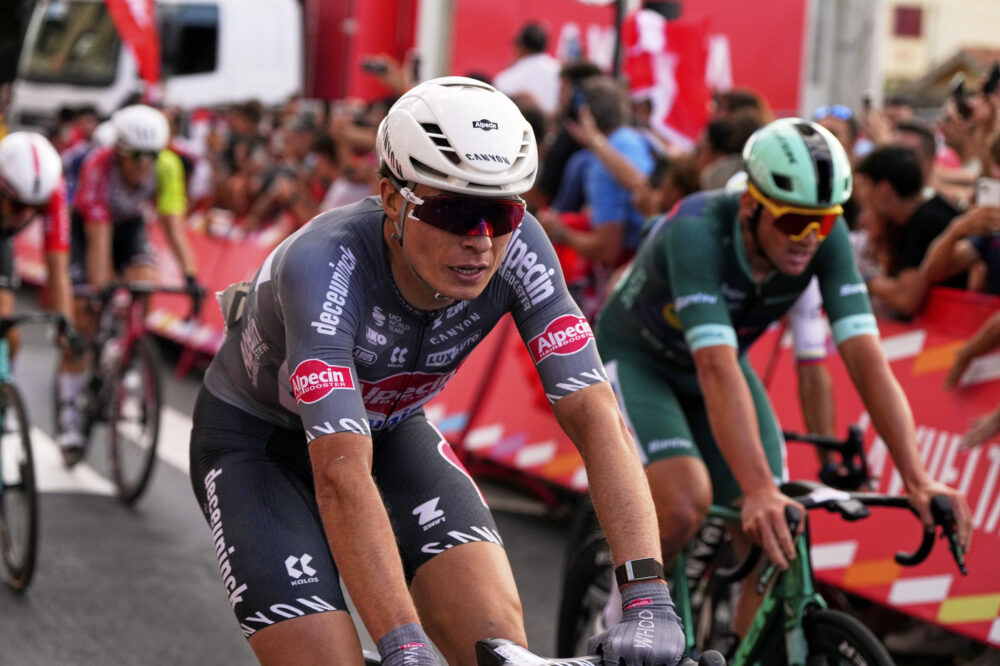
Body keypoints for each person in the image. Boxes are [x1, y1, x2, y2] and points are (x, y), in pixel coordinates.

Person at [189, 77, 684, 666]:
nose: (481, 241)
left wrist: (647, 597)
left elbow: (597, 416)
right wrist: (403, 643)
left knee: (494, 644)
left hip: (393, 430)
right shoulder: (324, 264)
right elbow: (342, 475)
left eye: (501, 213)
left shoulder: (521, 248)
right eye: (453, 211)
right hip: (259, 446)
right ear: (392, 199)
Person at [595, 118, 972, 636]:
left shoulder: (825, 242)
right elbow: (715, 366)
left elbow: (867, 359)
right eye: (794, 221)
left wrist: (917, 477)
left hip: (717, 367)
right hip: (639, 358)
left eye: (824, 222)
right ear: (751, 206)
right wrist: (756, 489)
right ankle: (617, 628)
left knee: (778, 535)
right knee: (684, 502)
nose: (808, 238)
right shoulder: (697, 228)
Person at [58, 105, 202, 463]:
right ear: (119, 152)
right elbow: (98, 240)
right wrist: (101, 289)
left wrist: (190, 274)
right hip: (90, 231)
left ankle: (126, 352)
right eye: (136, 156)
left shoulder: (167, 166)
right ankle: (70, 410)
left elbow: (172, 223)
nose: (144, 164)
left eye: (151, 155)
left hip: (130, 227)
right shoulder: (98, 166)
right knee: (85, 313)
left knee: (145, 282)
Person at [0, 132, 75, 438]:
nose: (25, 215)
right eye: (17, 205)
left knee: (6, 328)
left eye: (34, 207)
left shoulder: (53, 193)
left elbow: (57, 266)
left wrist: (65, 322)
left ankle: (3, 398)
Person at [492, 22, 562, 116]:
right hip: (553, 122)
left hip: (524, 122)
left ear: (522, 46)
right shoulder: (557, 69)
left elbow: (498, 88)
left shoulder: (515, 73)